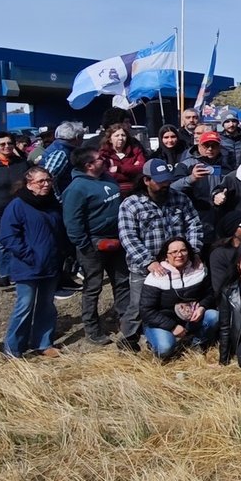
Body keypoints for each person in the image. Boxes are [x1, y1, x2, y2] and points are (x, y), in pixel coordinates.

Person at [118, 159, 205, 350]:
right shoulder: (131, 204)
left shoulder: (180, 199)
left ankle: (176, 332)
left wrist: (193, 251)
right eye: (160, 181)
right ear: (147, 180)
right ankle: (130, 336)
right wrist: (148, 261)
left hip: (178, 264)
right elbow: (128, 236)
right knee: (138, 304)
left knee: (176, 301)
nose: (165, 184)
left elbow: (194, 225)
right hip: (144, 266)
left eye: (167, 180)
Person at [0, 165, 66, 359]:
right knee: (25, 306)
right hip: (27, 266)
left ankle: (43, 343)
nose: (45, 185)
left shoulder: (52, 203)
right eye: (41, 181)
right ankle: (13, 348)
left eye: (48, 181)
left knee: (46, 305)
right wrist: (29, 256)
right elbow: (8, 236)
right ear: (29, 184)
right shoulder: (17, 205)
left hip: (50, 264)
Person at [62, 150, 128, 344]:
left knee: (122, 282)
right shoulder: (76, 189)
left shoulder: (107, 178)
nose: (104, 159)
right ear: (89, 165)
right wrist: (87, 246)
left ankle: (125, 320)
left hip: (117, 240)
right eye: (99, 159)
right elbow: (73, 223)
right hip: (93, 244)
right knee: (93, 287)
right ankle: (92, 329)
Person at [137, 237, 219, 358]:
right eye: (174, 252)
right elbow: (146, 311)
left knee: (214, 316)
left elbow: (210, 294)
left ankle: (195, 343)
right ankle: (154, 342)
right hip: (162, 323)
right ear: (166, 255)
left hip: (189, 320)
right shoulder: (155, 277)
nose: (179, 255)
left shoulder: (199, 270)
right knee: (164, 348)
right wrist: (172, 327)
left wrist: (202, 307)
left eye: (183, 250)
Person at [98, 123, 147, 197]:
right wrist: (132, 168)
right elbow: (105, 174)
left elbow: (141, 168)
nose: (120, 138)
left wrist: (119, 168)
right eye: (117, 135)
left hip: (134, 190)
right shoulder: (104, 154)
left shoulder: (136, 151)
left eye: (123, 135)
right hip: (112, 191)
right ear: (110, 139)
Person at [39, 121, 84, 195]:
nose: (82, 141)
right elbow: (49, 177)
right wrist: (59, 199)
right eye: (82, 137)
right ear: (77, 137)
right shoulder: (61, 152)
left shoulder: (63, 148)